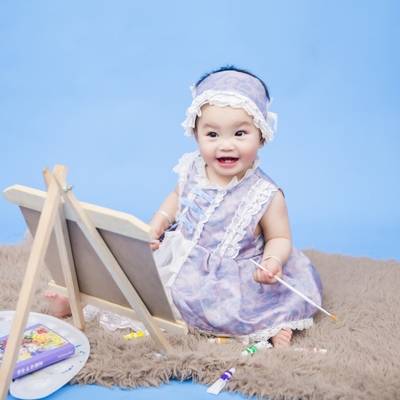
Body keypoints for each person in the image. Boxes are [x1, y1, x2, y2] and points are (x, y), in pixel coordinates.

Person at [149, 66, 323, 347]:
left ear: (261, 136)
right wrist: (158, 222)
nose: (226, 145)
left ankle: (274, 326)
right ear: (196, 135)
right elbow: (176, 197)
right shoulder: (193, 168)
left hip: (232, 275)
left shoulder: (265, 194)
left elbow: (279, 237)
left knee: (243, 311)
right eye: (212, 135)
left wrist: (272, 261)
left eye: (240, 133)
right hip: (183, 254)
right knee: (144, 288)